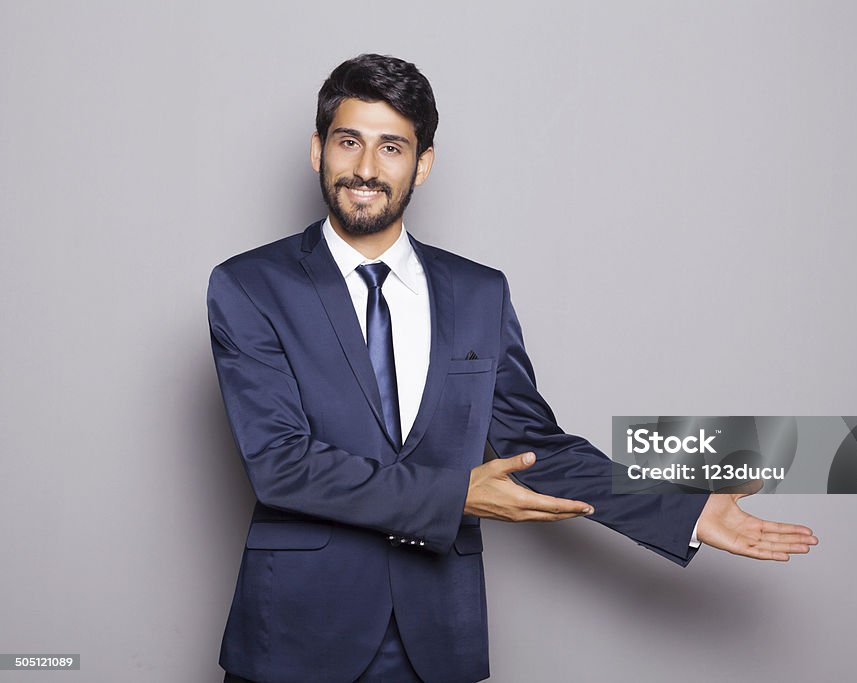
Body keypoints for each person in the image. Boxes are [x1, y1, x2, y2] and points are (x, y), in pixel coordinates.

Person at [207, 53, 818, 683]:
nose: (366, 168)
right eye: (348, 142)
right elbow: (280, 463)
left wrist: (683, 509)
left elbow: (536, 449)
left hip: (436, 635)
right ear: (318, 150)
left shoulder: (479, 293)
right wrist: (454, 495)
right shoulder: (250, 285)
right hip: (297, 631)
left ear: (423, 163)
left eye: (391, 147)